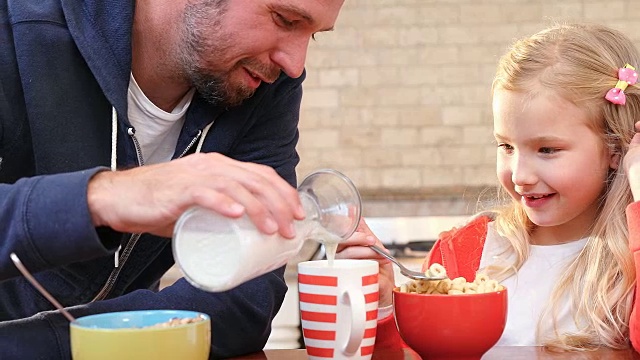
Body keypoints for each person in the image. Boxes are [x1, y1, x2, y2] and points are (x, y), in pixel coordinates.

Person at [0, 0, 344, 358]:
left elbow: (247, 295)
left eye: (313, 36)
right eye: (285, 20)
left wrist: (68, 343)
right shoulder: (17, 28)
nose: (295, 63)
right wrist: (105, 197)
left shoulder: (265, 88)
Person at [337, 22, 640, 351]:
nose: (519, 174)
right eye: (506, 147)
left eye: (547, 150)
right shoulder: (462, 255)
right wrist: (383, 307)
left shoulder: (631, 260)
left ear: (617, 149)